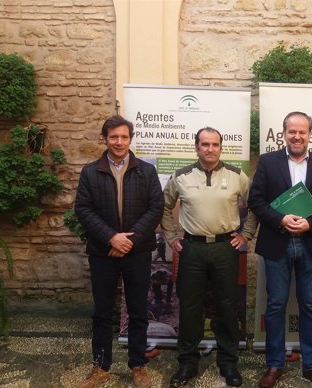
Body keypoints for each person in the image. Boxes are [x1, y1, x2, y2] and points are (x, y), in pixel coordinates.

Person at [248, 111, 312, 388]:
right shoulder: (267, 162)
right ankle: (274, 365)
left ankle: (311, 366)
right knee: (275, 305)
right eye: (292, 131)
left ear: (310, 134)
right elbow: (256, 200)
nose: (297, 136)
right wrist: (281, 219)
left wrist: (310, 224)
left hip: (309, 244)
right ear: (283, 133)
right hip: (278, 243)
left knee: (309, 305)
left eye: (302, 132)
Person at [74, 115, 164, 388]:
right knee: (102, 311)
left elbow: (155, 208)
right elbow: (83, 209)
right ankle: (100, 366)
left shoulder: (146, 171)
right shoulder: (91, 171)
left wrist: (129, 241)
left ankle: (138, 365)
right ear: (105, 139)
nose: (119, 142)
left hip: (136, 252)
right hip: (103, 253)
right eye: (113, 137)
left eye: (124, 137)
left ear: (130, 139)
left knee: (138, 311)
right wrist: (111, 238)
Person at [161, 127, 250, 388]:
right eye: (204, 144)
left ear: (221, 147)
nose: (210, 149)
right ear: (196, 147)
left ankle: (228, 363)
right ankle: (187, 363)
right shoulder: (181, 176)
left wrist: (246, 234)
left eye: (215, 144)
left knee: (226, 306)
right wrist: (171, 237)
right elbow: (164, 206)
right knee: (190, 307)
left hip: (225, 249)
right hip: (192, 249)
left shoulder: (237, 176)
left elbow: (256, 204)